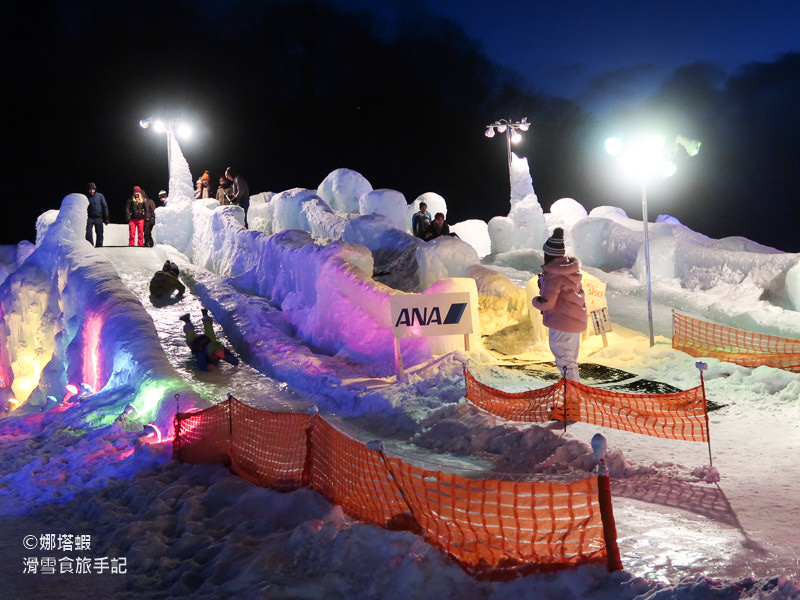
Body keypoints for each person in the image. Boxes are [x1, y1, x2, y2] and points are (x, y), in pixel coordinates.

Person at [531, 228, 587, 381]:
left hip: (562, 322)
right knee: (570, 361)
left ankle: (571, 393)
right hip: (575, 322)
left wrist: (535, 300)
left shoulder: (553, 275)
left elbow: (547, 304)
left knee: (564, 362)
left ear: (548, 254)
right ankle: (574, 390)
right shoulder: (571, 271)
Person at [85, 182, 109, 247]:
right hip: (90, 218)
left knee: (99, 233)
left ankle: (99, 246)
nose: (92, 191)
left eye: (93, 189)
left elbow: (105, 206)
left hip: (99, 217)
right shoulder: (86, 197)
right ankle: (90, 246)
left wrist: (106, 218)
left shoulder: (100, 196)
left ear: (95, 189)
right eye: (90, 190)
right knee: (88, 233)